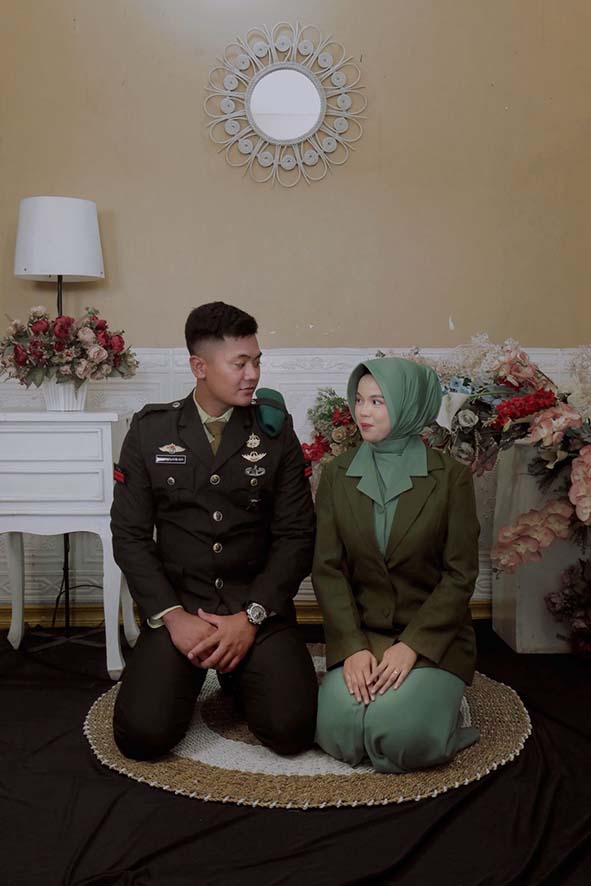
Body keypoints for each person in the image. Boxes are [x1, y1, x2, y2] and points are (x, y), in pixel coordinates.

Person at [110, 301, 317, 760]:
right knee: (141, 736)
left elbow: (297, 534)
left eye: (257, 361)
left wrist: (252, 617)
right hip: (182, 607)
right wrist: (172, 616)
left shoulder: (275, 433)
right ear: (199, 367)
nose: (253, 374)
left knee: (292, 731)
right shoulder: (149, 431)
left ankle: (237, 673)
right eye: (240, 363)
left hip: (255, 607)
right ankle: (196, 674)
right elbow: (129, 535)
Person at [312, 357, 480, 773]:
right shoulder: (336, 474)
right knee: (339, 732)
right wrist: (352, 646)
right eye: (359, 400)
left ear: (409, 405)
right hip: (365, 634)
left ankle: (446, 723)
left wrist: (413, 646)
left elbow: (460, 575)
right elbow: (328, 570)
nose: (363, 412)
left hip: (432, 639)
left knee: (398, 736)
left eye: (378, 401)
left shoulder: (452, 478)